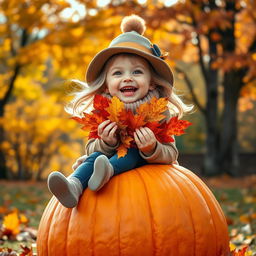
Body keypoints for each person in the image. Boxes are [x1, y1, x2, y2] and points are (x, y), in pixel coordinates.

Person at [47, 15, 192, 208]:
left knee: (133, 152)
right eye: (118, 73)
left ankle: (109, 170)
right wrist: (107, 143)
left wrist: (151, 148)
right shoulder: (103, 112)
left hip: (149, 176)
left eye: (137, 72)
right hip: (100, 163)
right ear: (106, 86)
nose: (127, 78)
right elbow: (90, 147)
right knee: (93, 158)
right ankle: (73, 186)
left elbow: (171, 153)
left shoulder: (160, 111)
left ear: (151, 83)